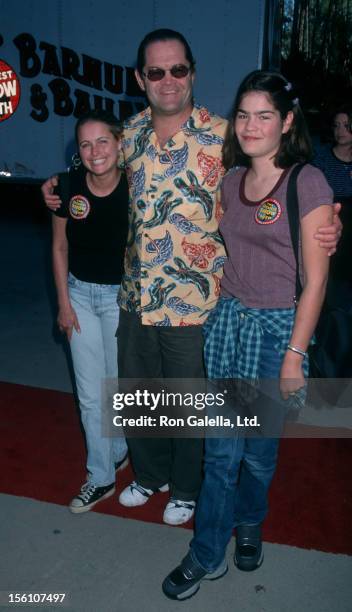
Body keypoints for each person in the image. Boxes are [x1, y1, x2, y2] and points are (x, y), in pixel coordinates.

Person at [42, 30, 341, 527]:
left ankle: (185, 487)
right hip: (135, 295)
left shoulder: (224, 136)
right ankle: (148, 473)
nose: (167, 80)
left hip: (195, 299)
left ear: (192, 72)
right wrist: (56, 186)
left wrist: (326, 221)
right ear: (141, 78)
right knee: (138, 393)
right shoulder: (129, 134)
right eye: (155, 71)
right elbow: (91, 169)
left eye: (177, 69)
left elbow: (277, 177)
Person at [162, 70, 333, 600]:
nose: (251, 125)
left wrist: (293, 358)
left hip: (276, 332)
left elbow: (317, 280)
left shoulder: (307, 182)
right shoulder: (230, 178)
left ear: (286, 121)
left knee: (258, 455)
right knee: (221, 454)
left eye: (264, 115)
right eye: (243, 114)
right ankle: (206, 552)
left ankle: (251, 519)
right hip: (228, 325)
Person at [51, 110, 129, 513]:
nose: (95, 151)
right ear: (77, 151)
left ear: (119, 144)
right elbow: (60, 246)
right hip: (79, 296)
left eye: (103, 141)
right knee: (89, 394)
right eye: (85, 143)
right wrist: (64, 304)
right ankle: (100, 478)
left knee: (116, 388)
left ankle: (118, 450)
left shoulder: (137, 184)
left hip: (121, 299)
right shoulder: (66, 185)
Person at [313, 106, 352, 282]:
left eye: (346, 125)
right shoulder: (320, 159)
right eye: (336, 125)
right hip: (331, 223)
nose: (340, 131)